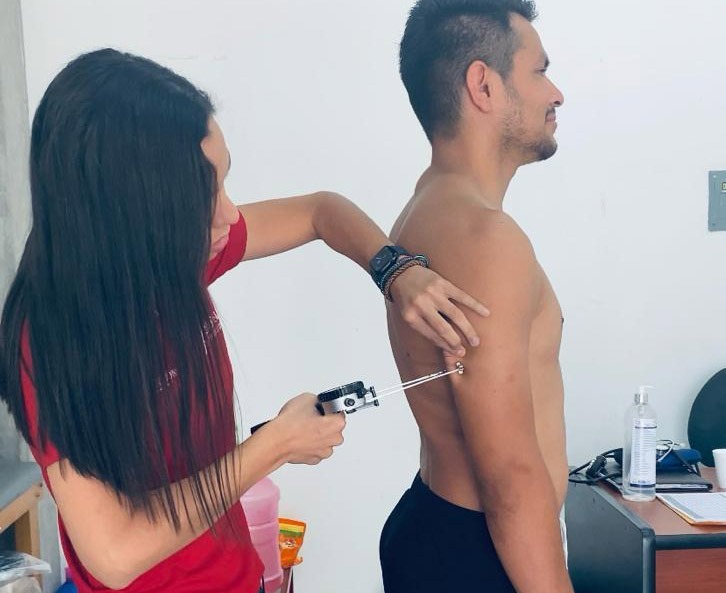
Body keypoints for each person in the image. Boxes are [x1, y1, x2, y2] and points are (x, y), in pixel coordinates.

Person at [0, 49, 489, 593]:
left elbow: (321, 211)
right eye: (199, 197)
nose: (229, 214)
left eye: (222, 181)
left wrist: (395, 270)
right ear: (129, 214)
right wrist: (274, 446)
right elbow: (114, 553)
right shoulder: (48, 346)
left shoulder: (171, 259)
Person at [380, 1, 573, 592]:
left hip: (439, 528)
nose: (556, 94)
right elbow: (508, 475)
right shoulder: (488, 240)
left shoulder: (425, 208)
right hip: (481, 551)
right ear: (483, 86)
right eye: (540, 71)